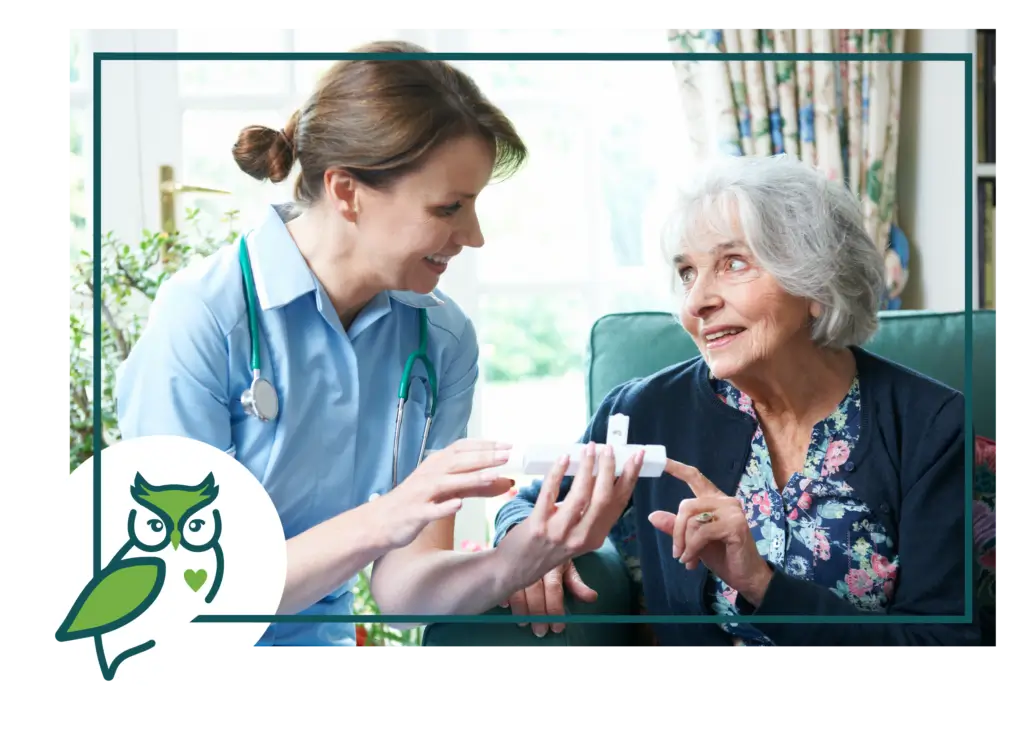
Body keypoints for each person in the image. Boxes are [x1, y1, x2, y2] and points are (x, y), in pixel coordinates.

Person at [114, 40, 645, 648]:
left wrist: (522, 557)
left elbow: (402, 592)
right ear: (346, 191)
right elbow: (192, 594)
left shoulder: (440, 339)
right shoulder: (204, 317)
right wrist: (390, 515)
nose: (473, 236)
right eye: (449, 208)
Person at [493, 153, 980, 648]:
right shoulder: (644, 412)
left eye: (733, 263)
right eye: (687, 273)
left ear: (817, 281)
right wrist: (521, 549)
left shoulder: (930, 427)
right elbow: (532, 506)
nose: (696, 301)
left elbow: (944, 637)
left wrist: (762, 586)